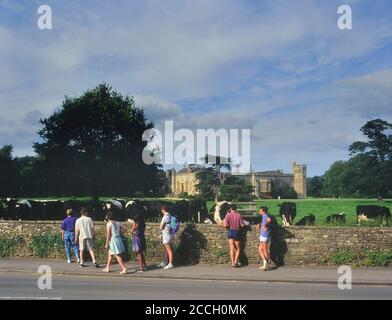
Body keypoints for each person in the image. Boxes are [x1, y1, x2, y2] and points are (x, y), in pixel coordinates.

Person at [159, 205, 174, 270]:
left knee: (169, 250)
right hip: (170, 234)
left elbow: (160, 227)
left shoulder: (165, 217)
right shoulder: (170, 216)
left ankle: (170, 263)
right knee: (168, 250)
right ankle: (166, 262)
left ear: (163, 210)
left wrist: (163, 226)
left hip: (166, 235)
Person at [256, 206, 272, 271]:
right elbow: (265, 221)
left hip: (264, 235)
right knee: (260, 249)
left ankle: (265, 263)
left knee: (264, 249)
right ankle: (265, 263)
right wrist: (260, 224)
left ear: (263, 211)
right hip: (265, 235)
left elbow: (269, 220)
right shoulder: (264, 216)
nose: (260, 211)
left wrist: (265, 225)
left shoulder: (265, 215)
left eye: (260, 210)